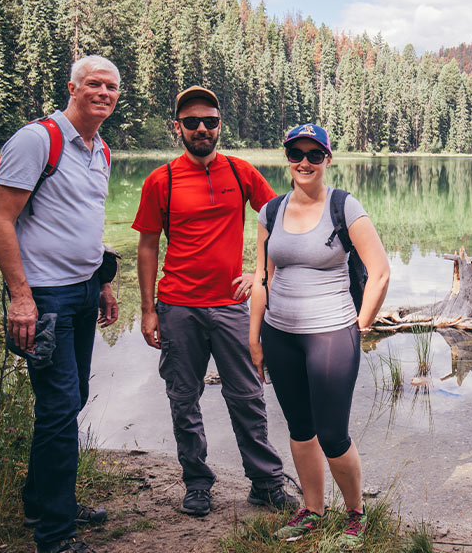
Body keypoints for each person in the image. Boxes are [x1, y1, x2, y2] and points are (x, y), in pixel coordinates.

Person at [132, 86, 294, 517]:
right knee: (183, 398)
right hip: (177, 306)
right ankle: (197, 483)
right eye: (192, 122)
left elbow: (281, 221)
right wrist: (148, 309)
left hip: (230, 306)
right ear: (178, 128)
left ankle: (265, 483)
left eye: (210, 121)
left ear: (220, 125)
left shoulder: (241, 173)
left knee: (247, 395)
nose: (202, 128)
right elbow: (148, 247)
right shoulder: (160, 180)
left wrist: (259, 275)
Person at [0, 55, 122, 553]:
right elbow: (3, 221)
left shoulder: (100, 149)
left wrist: (103, 283)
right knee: (59, 407)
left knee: (69, 402)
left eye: (111, 86)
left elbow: (82, 223)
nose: (103, 93)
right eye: (94, 84)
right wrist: (21, 298)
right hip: (44, 298)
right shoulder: (36, 140)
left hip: (84, 291)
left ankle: (44, 502)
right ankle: (55, 534)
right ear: (72, 86)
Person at [249, 123, 390, 550]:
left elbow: (380, 271)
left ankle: (355, 514)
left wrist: (359, 325)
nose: (305, 163)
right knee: (299, 428)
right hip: (281, 334)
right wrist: (254, 338)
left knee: (332, 433)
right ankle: (312, 510)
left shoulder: (344, 207)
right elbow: (261, 276)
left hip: (332, 333)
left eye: (314, 155)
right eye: (297, 154)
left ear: (328, 159)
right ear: (287, 158)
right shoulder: (270, 212)